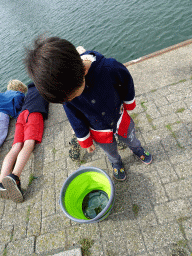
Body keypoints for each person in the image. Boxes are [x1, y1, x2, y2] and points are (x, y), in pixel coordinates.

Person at [24, 36, 152, 182]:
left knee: (130, 137)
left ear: (83, 71)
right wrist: (85, 140)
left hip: (119, 116)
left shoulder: (108, 68)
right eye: (65, 100)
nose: (69, 101)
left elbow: (125, 80)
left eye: (72, 96)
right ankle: (116, 162)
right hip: (98, 129)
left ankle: (137, 149)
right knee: (109, 150)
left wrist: (129, 102)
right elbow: (74, 117)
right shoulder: (67, 93)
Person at [0, 82, 49, 203]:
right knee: (29, 144)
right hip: (34, 114)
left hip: (21, 116)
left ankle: (2, 183)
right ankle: (14, 176)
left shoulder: (28, 94)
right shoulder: (43, 88)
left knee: (15, 147)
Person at [0, 80, 28, 147]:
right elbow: (19, 107)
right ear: (20, 89)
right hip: (3, 113)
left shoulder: (6, 93)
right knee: (1, 133)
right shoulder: (19, 94)